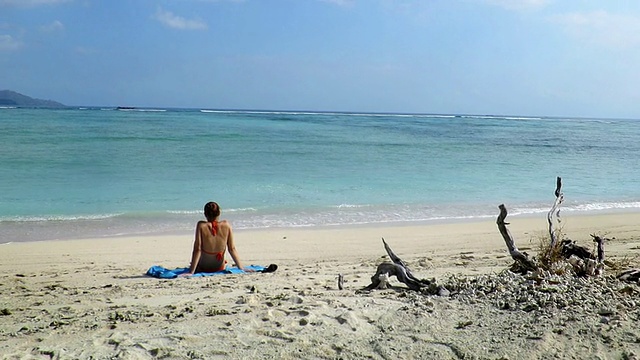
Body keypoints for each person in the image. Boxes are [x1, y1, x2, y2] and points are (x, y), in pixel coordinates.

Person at [181, 201, 253, 276]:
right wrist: (241, 268)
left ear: (205, 214)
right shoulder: (226, 225)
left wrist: (191, 271)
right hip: (219, 267)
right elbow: (232, 249)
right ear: (219, 213)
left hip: (203, 267)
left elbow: (197, 249)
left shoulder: (201, 226)